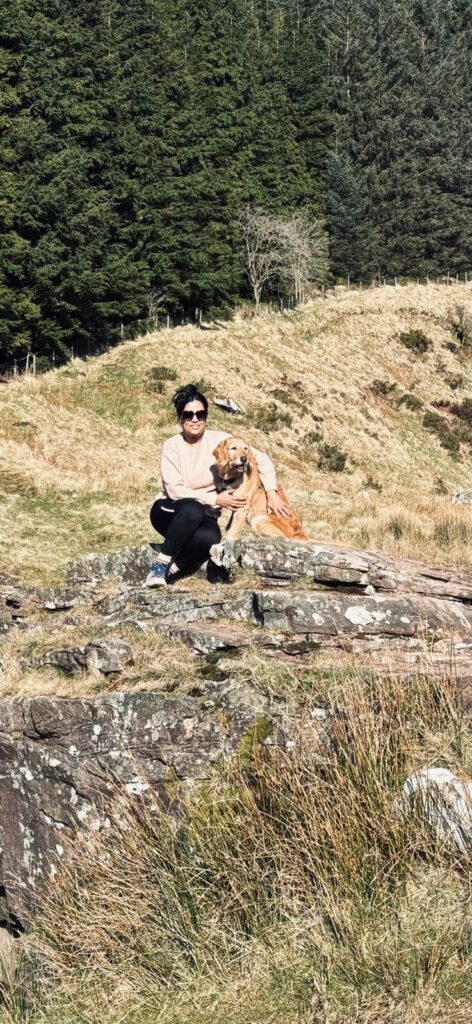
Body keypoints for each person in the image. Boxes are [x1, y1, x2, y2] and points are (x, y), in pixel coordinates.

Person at [145, 383, 290, 586]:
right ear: (181, 418)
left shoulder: (222, 440)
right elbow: (174, 490)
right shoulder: (171, 446)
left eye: (200, 414)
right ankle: (160, 566)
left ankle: (179, 565)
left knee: (211, 538)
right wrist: (215, 499)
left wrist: (271, 491)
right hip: (170, 510)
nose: (195, 419)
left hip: (204, 514)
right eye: (188, 415)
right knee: (192, 508)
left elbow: (260, 459)